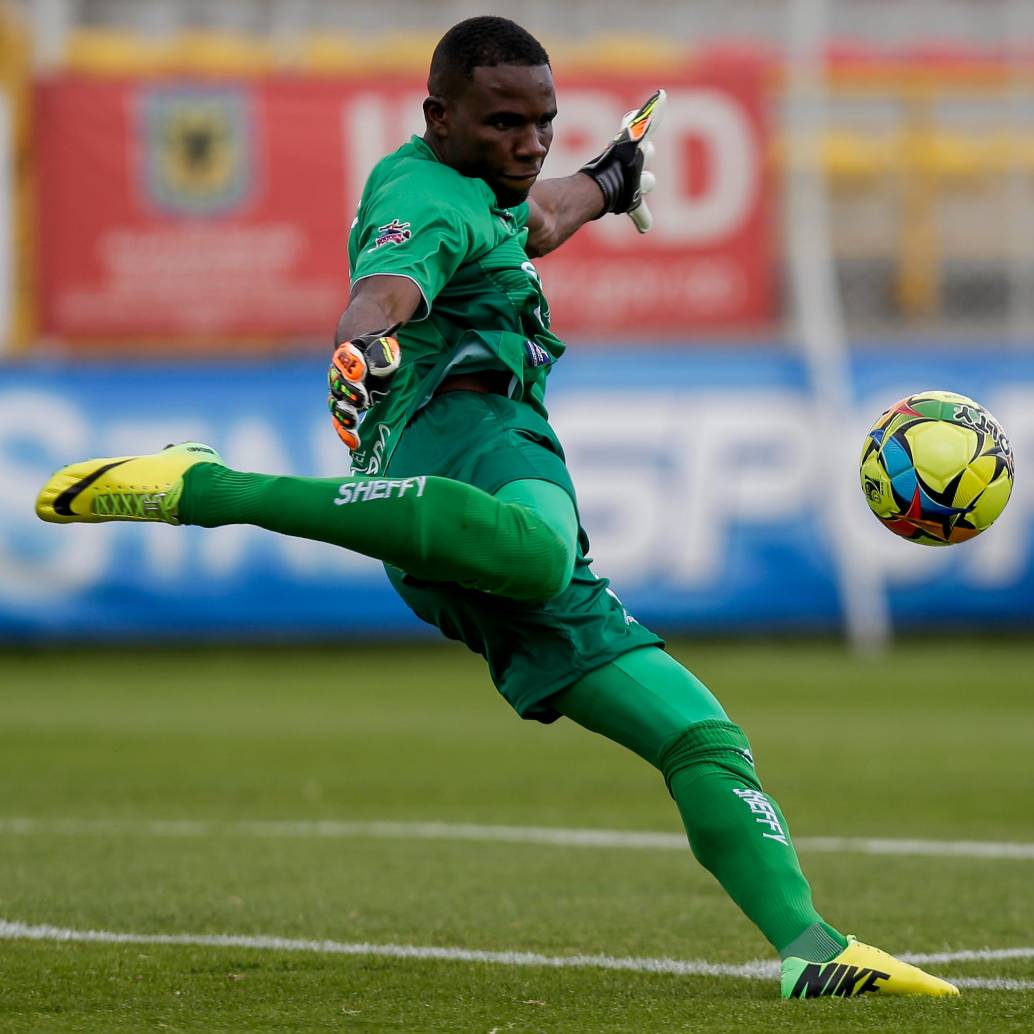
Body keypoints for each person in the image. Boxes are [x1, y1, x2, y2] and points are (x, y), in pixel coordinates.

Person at [36, 16, 956, 1000]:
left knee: (697, 731)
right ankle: (209, 487)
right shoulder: (418, 197)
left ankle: (808, 944)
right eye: (502, 123)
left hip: (474, 485)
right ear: (438, 116)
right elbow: (380, 291)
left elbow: (539, 216)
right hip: (459, 444)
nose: (527, 143)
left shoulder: (488, 188)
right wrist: (365, 346)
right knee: (537, 554)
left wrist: (608, 181)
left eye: (542, 123)